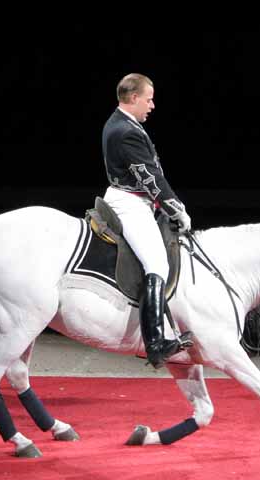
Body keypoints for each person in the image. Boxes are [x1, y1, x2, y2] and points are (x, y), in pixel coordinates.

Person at [102, 73, 192, 368]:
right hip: (130, 204)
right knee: (157, 265)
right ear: (133, 98)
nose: (152, 105)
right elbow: (151, 178)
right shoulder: (126, 131)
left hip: (132, 199)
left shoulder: (122, 124)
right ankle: (154, 343)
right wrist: (176, 209)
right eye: (149, 99)